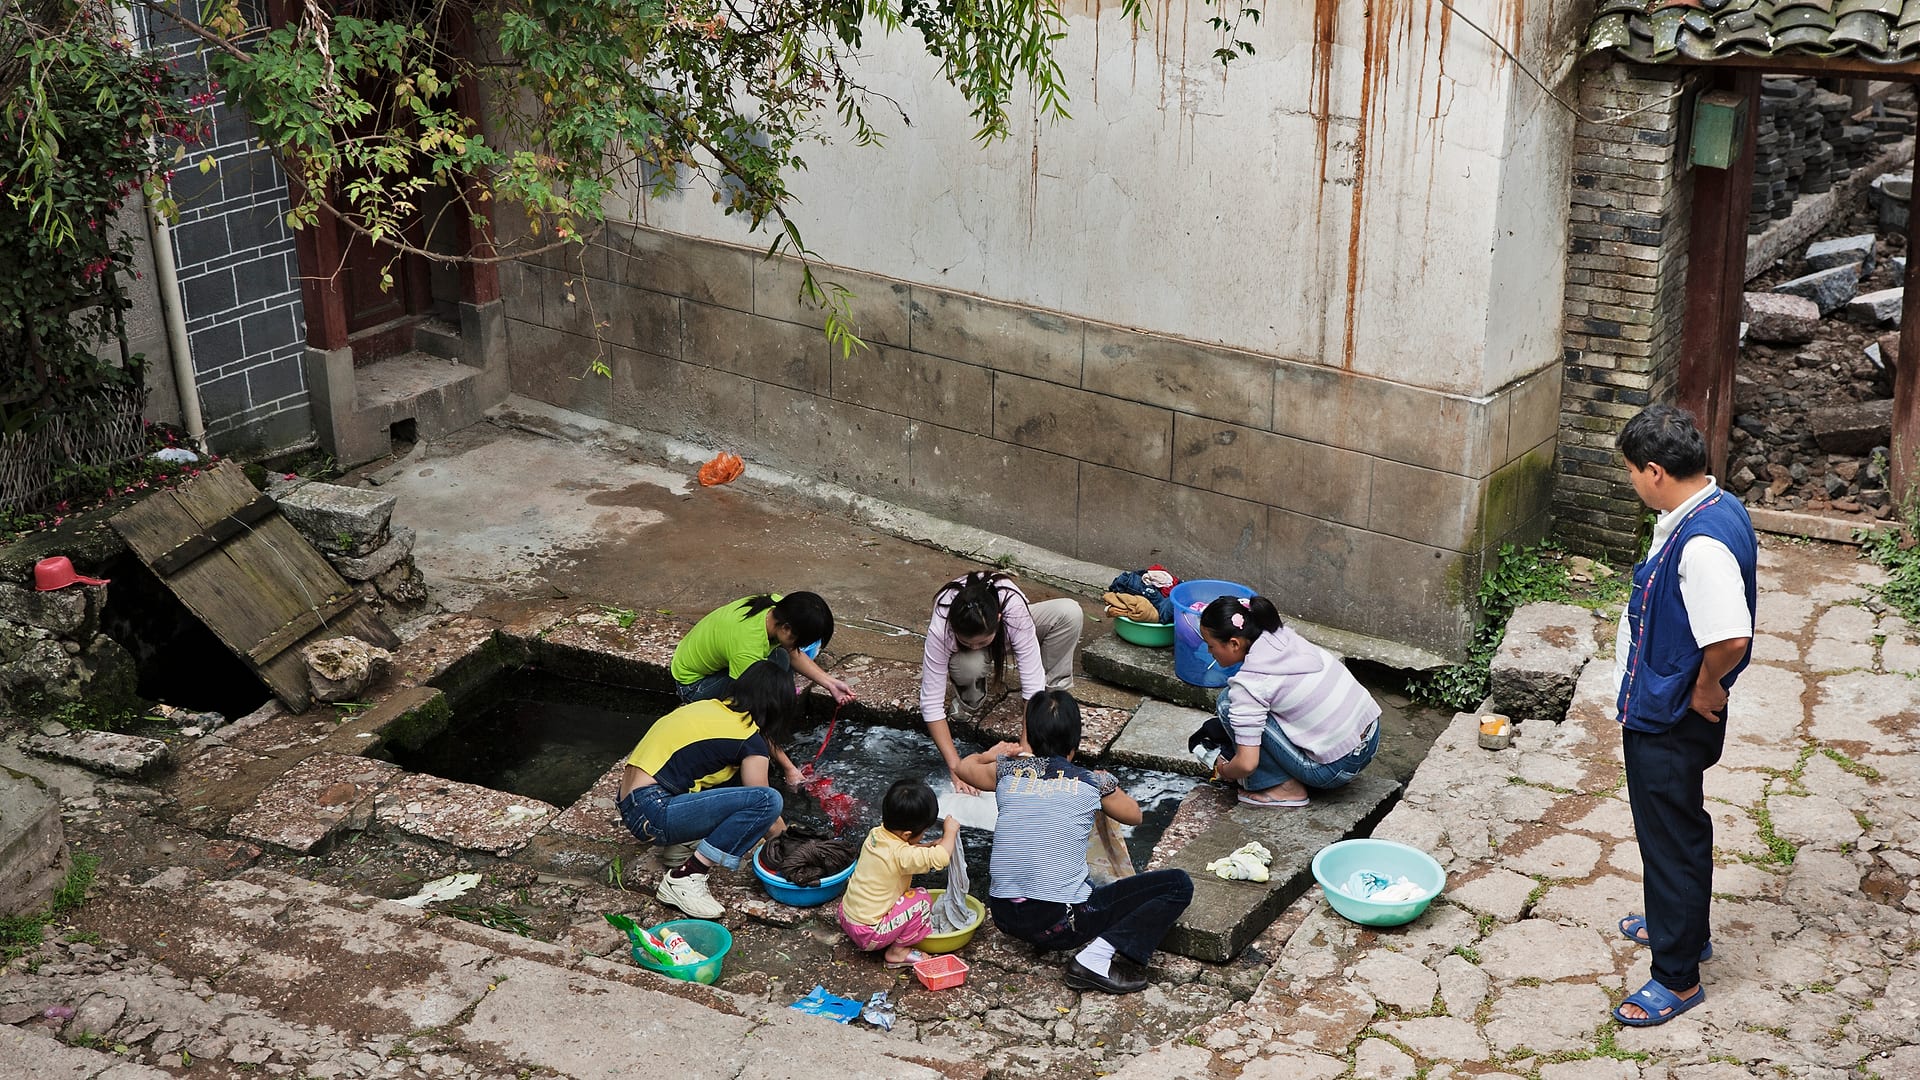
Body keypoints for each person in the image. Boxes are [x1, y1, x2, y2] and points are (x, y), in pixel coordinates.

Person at [1609, 404, 1756, 1028]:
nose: (1632, 486)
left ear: (1654, 471)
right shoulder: (1713, 508)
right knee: (1678, 827)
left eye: (1632, 475)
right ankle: (1682, 926)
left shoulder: (1700, 544)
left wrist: (1703, 689)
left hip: (1669, 715)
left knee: (1669, 838)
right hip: (1668, 703)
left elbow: (1730, 639)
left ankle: (1677, 975)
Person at [954, 692, 1193, 995]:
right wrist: (1110, 783)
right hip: (1062, 925)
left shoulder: (1006, 773)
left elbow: (963, 766)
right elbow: (1135, 816)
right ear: (1074, 745)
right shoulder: (1091, 783)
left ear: (1030, 740)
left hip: (1005, 915)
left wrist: (994, 752)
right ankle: (1095, 958)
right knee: (1178, 884)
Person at [617, 660, 800, 919]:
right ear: (778, 707)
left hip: (630, 802)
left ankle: (680, 847)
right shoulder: (750, 741)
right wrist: (790, 845)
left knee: (732, 786)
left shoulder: (706, 707)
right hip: (654, 811)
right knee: (768, 801)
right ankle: (686, 877)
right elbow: (764, 807)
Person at [1196, 594, 1382, 808]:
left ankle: (1284, 789)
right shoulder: (1281, 636)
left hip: (1337, 768)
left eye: (1210, 646)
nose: (1210, 652)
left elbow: (1247, 764)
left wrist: (1224, 770)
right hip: (1372, 735)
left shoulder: (1252, 684)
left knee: (1227, 703)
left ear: (1234, 643)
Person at [921, 571, 1084, 793]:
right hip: (969, 656)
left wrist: (1026, 750)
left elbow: (1031, 682)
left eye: (982, 642)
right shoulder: (943, 623)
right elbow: (930, 703)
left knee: (1069, 613)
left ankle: (1054, 701)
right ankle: (970, 696)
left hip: (1009, 631)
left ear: (998, 618)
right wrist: (956, 769)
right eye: (969, 642)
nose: (976, 645)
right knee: (971, 664)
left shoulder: (1012, 607)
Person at [671, 591, 856, 784]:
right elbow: (750, 715)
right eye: (801, 642)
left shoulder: (777, 606)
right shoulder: (747, 647)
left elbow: (792, 653)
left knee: (781, 658)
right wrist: (789, 768)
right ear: (786, 629)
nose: (800, 647)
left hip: (711, 662)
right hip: (694, 684)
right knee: (757, 702)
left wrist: (830, 683)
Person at [835, 779, 958, 968]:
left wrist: (925, 847)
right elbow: (941, 858)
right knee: (922, 899)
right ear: (907, 834)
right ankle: (897, 952)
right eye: (923, 832)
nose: (924, 835)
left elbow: (900, 852)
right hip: (868, 934)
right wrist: (950, 832)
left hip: (847, 917)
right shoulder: (901, 855)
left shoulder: (876, 834)